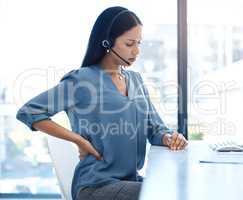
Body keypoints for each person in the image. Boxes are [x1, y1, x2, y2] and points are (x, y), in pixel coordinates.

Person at [16, 6, 188, 200]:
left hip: (131, 181)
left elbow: (155, 129)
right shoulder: (82, 81)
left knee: (178, 189)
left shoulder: (136, 80)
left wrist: (169, 138)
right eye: (129, 43)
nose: (137, 51)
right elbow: (29, 112)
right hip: (96, 187)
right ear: (107, 42)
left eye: (139, 43)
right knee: (162, 195)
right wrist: (78, 139)